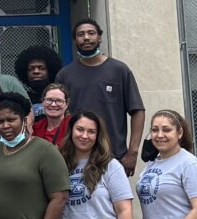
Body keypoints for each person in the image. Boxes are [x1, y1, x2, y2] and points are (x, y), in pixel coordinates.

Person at [56, 19, 145, 175]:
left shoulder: (119, 70)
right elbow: (57, 115)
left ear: (99, 37)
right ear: (75, 40)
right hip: (75, 158)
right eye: (80, 34)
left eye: (91, 33)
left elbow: (137, 111)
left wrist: (132, 152)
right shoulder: (65, 75)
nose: (86, 38)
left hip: (113, 156)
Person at [15, 44, 64, 112]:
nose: (36, 71)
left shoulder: (60, 95)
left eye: (42, 68)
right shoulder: (23, 98)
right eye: (31, 69)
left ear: (50, 70)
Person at [32, 82, 72, 148]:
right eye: (49, 100)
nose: (53, 104)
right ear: (43, 101)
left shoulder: (74, 125)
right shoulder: (35, 128)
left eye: (59, 101)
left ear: (67, 104)